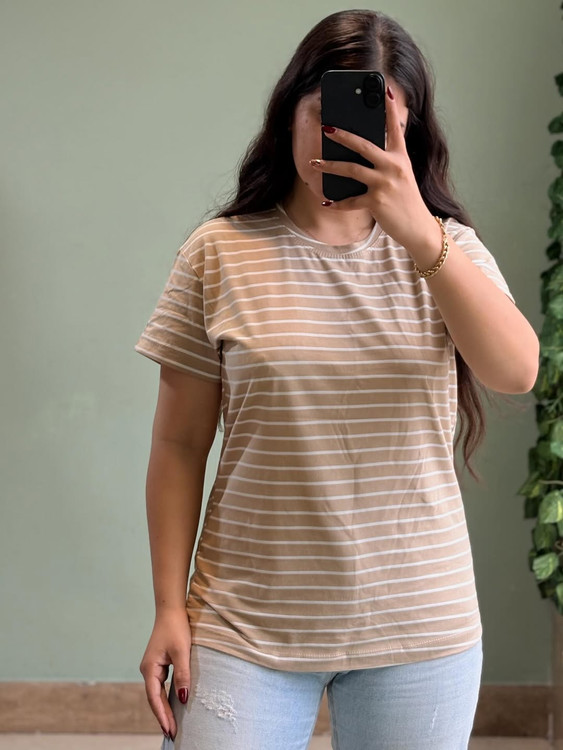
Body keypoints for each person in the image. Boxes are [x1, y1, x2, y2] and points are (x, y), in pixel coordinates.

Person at [135, 9, 539, 750]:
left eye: (377, 124)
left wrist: (416, 231)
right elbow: (179, 445)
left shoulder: (446, 251)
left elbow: (516, 371)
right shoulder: (217, 252)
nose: (346, 140)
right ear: (289, 113)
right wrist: (167, 607)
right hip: (243, 621)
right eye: (326, 114)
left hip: (420, 623)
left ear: (408, 135)